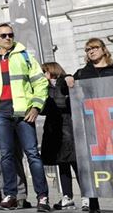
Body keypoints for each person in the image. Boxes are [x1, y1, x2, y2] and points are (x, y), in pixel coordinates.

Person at [0, 23, 51, 212]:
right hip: (0, 114)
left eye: (10, 34)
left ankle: (42, 197)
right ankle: (10, 195)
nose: (7, 38)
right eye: (3, 35)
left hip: (23, 113)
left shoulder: (25, 56)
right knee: (6, 156)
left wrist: (36, 106)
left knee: (32, 155)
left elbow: (40, 83)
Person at [71, 38, 113, 213]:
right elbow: (66, 91)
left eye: (94, 48)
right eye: (88, 49)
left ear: (103, 49)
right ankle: (93, 203)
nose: (91, 51)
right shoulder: (82, 73)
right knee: (92, 162)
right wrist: (67, 80)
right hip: (92, 122)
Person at [39, 62, 84, 211]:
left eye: (44, 71)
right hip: (54, 128)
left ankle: (87, 196)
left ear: (51, 71)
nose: (42, 74)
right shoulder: (44, 86)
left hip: (68, 126)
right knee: (62, 163)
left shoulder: (63, 82)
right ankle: (67, 196)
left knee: (76, 163)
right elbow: (43, 110)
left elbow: (63, 102)